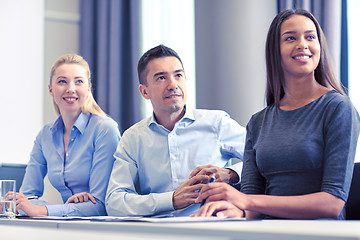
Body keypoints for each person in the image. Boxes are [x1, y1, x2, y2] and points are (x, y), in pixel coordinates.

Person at [192, 9, 360, 220]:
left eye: (310, 37)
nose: (302, 44)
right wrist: (233, 210)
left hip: (321, 233)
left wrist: (245, 201)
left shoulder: (338, 107)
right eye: (290, 38)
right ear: (275, 50)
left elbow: (333, 202)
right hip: (267, 231)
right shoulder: (258, 122)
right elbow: (252, 198)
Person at [105, 45, 246, 217]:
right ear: (144, 91)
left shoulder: (217, 123)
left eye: (178, 75)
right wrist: (171, 200)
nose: (173, 85)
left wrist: (231, 174)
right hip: (159, 233)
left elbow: (264, 162)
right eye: (161, 78)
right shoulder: (132, 138)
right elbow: (114, 201)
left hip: (212, 228)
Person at [16, 54, 121, 217]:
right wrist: (25, 205)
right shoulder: (45, 135)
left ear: (88, 88)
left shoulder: (105, 129)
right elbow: (27, 197)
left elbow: (101, 206)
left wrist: (42, 210)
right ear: (50, 89)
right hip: (68, 224)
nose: (70, 89)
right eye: (62, 81)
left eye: (79, 81)